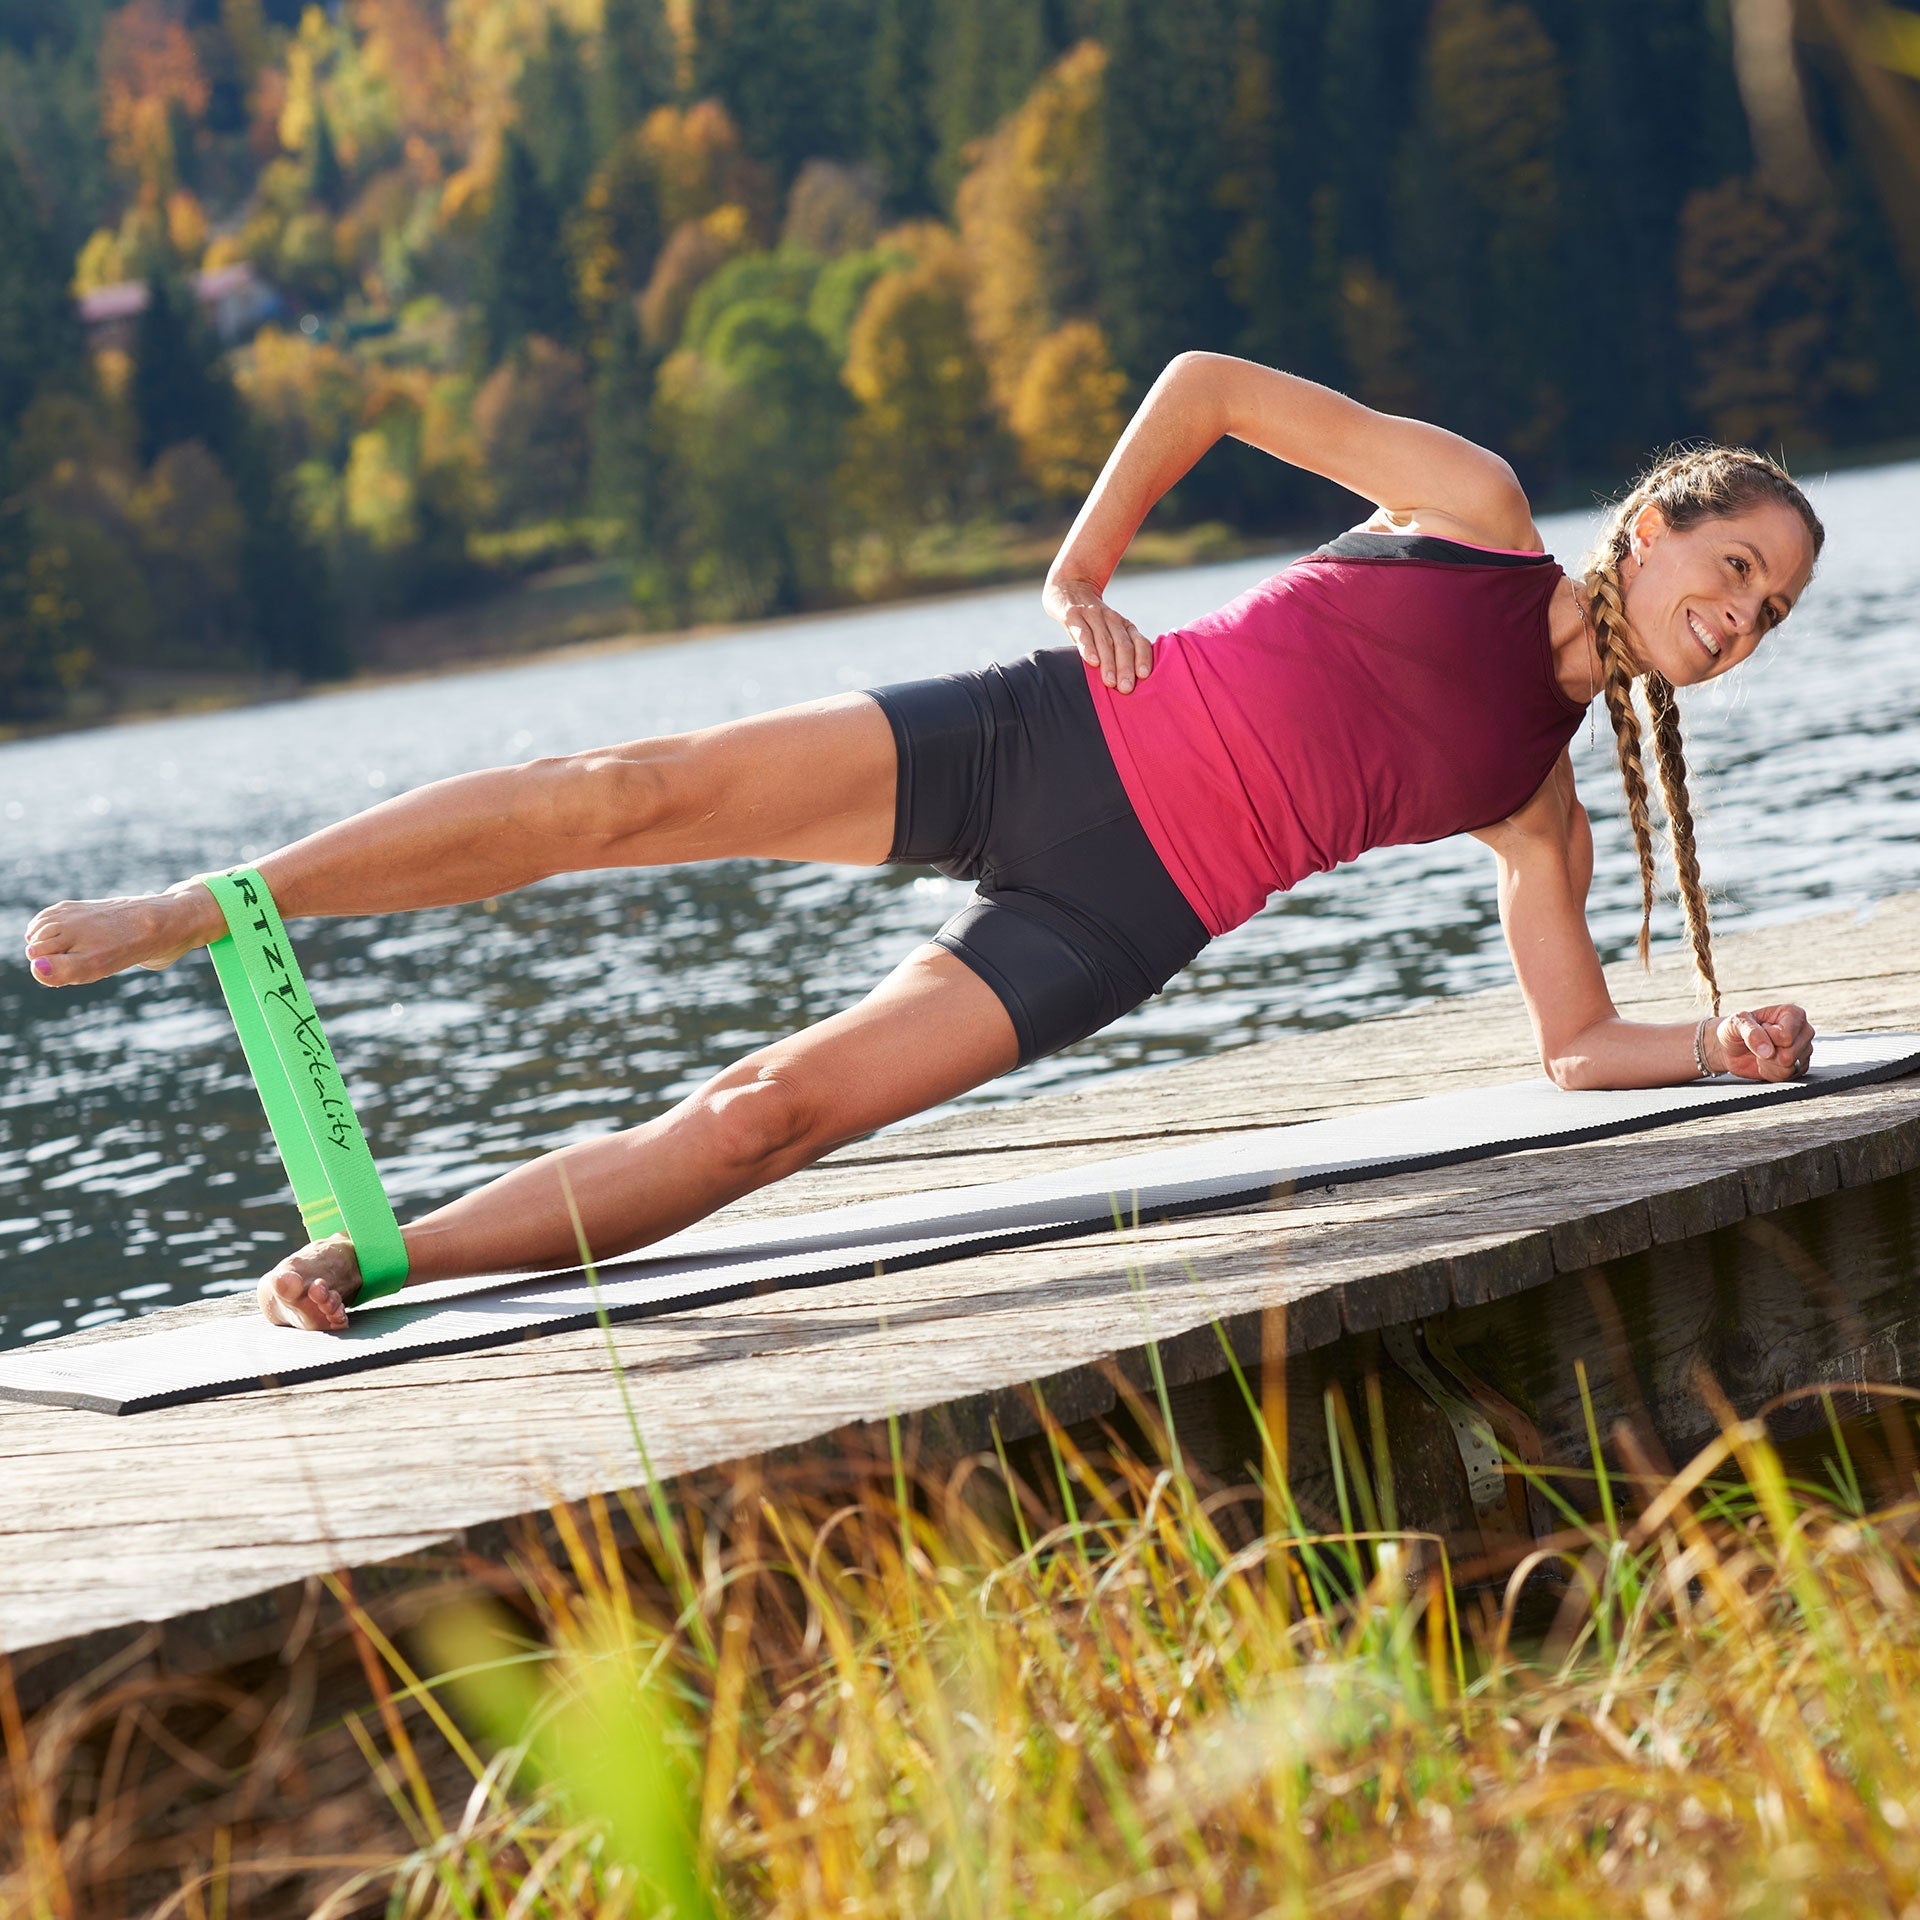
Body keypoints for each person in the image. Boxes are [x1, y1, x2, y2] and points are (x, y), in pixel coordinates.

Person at [22, 353, 1822, 1333]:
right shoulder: (1475, 511)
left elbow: (1574, 1044)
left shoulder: (1540, 795)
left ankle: (395, 1257)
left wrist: (1718, 1052)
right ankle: (205, 906)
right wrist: (1084, 569)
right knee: (618, 794)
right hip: (1037, 735)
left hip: (1116, 920)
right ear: (1657, 525)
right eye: (1732, 564)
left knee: (762, 1123)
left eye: (1774, 609)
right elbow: (1201, 386)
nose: (1739, 614)